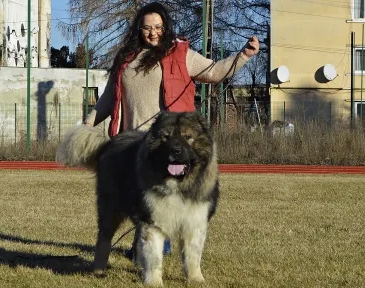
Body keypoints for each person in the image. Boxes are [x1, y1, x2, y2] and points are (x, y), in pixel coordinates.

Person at [85, 2, 259, 256]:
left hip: (164, 144)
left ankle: (158, 248)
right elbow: (111, 95)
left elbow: (214, 72)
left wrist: (243, 55)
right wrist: (90, 120)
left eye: (158, 27)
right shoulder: (126, 57)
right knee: (139, 197)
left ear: (165, 27)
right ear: (138, 29)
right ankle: (143, 248)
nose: (153, 33)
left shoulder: (182, 54)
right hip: (132, 143)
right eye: (146, 28)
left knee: (162, 198)